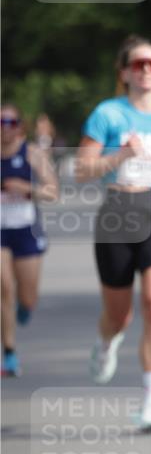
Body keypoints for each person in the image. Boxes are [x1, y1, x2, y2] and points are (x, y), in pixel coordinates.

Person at [76, 35, 151, 433]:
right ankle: (107, 341)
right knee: (119, 314)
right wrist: (120, 155)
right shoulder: (108, 113)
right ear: (125, 72)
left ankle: (150, 404)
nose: (146, 69)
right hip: (117, 213)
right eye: (138, 64)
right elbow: (82, 169)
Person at [1, 104, 58, 375]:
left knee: (27, 297)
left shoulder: (32, 153)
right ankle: (9, 352)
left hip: (25, 230)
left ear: (20, 126)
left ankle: (24, 307)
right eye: (1, 122)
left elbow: (53, 192)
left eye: (11, 122)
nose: (5, 128)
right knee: (4, 289)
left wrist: (26, 188)